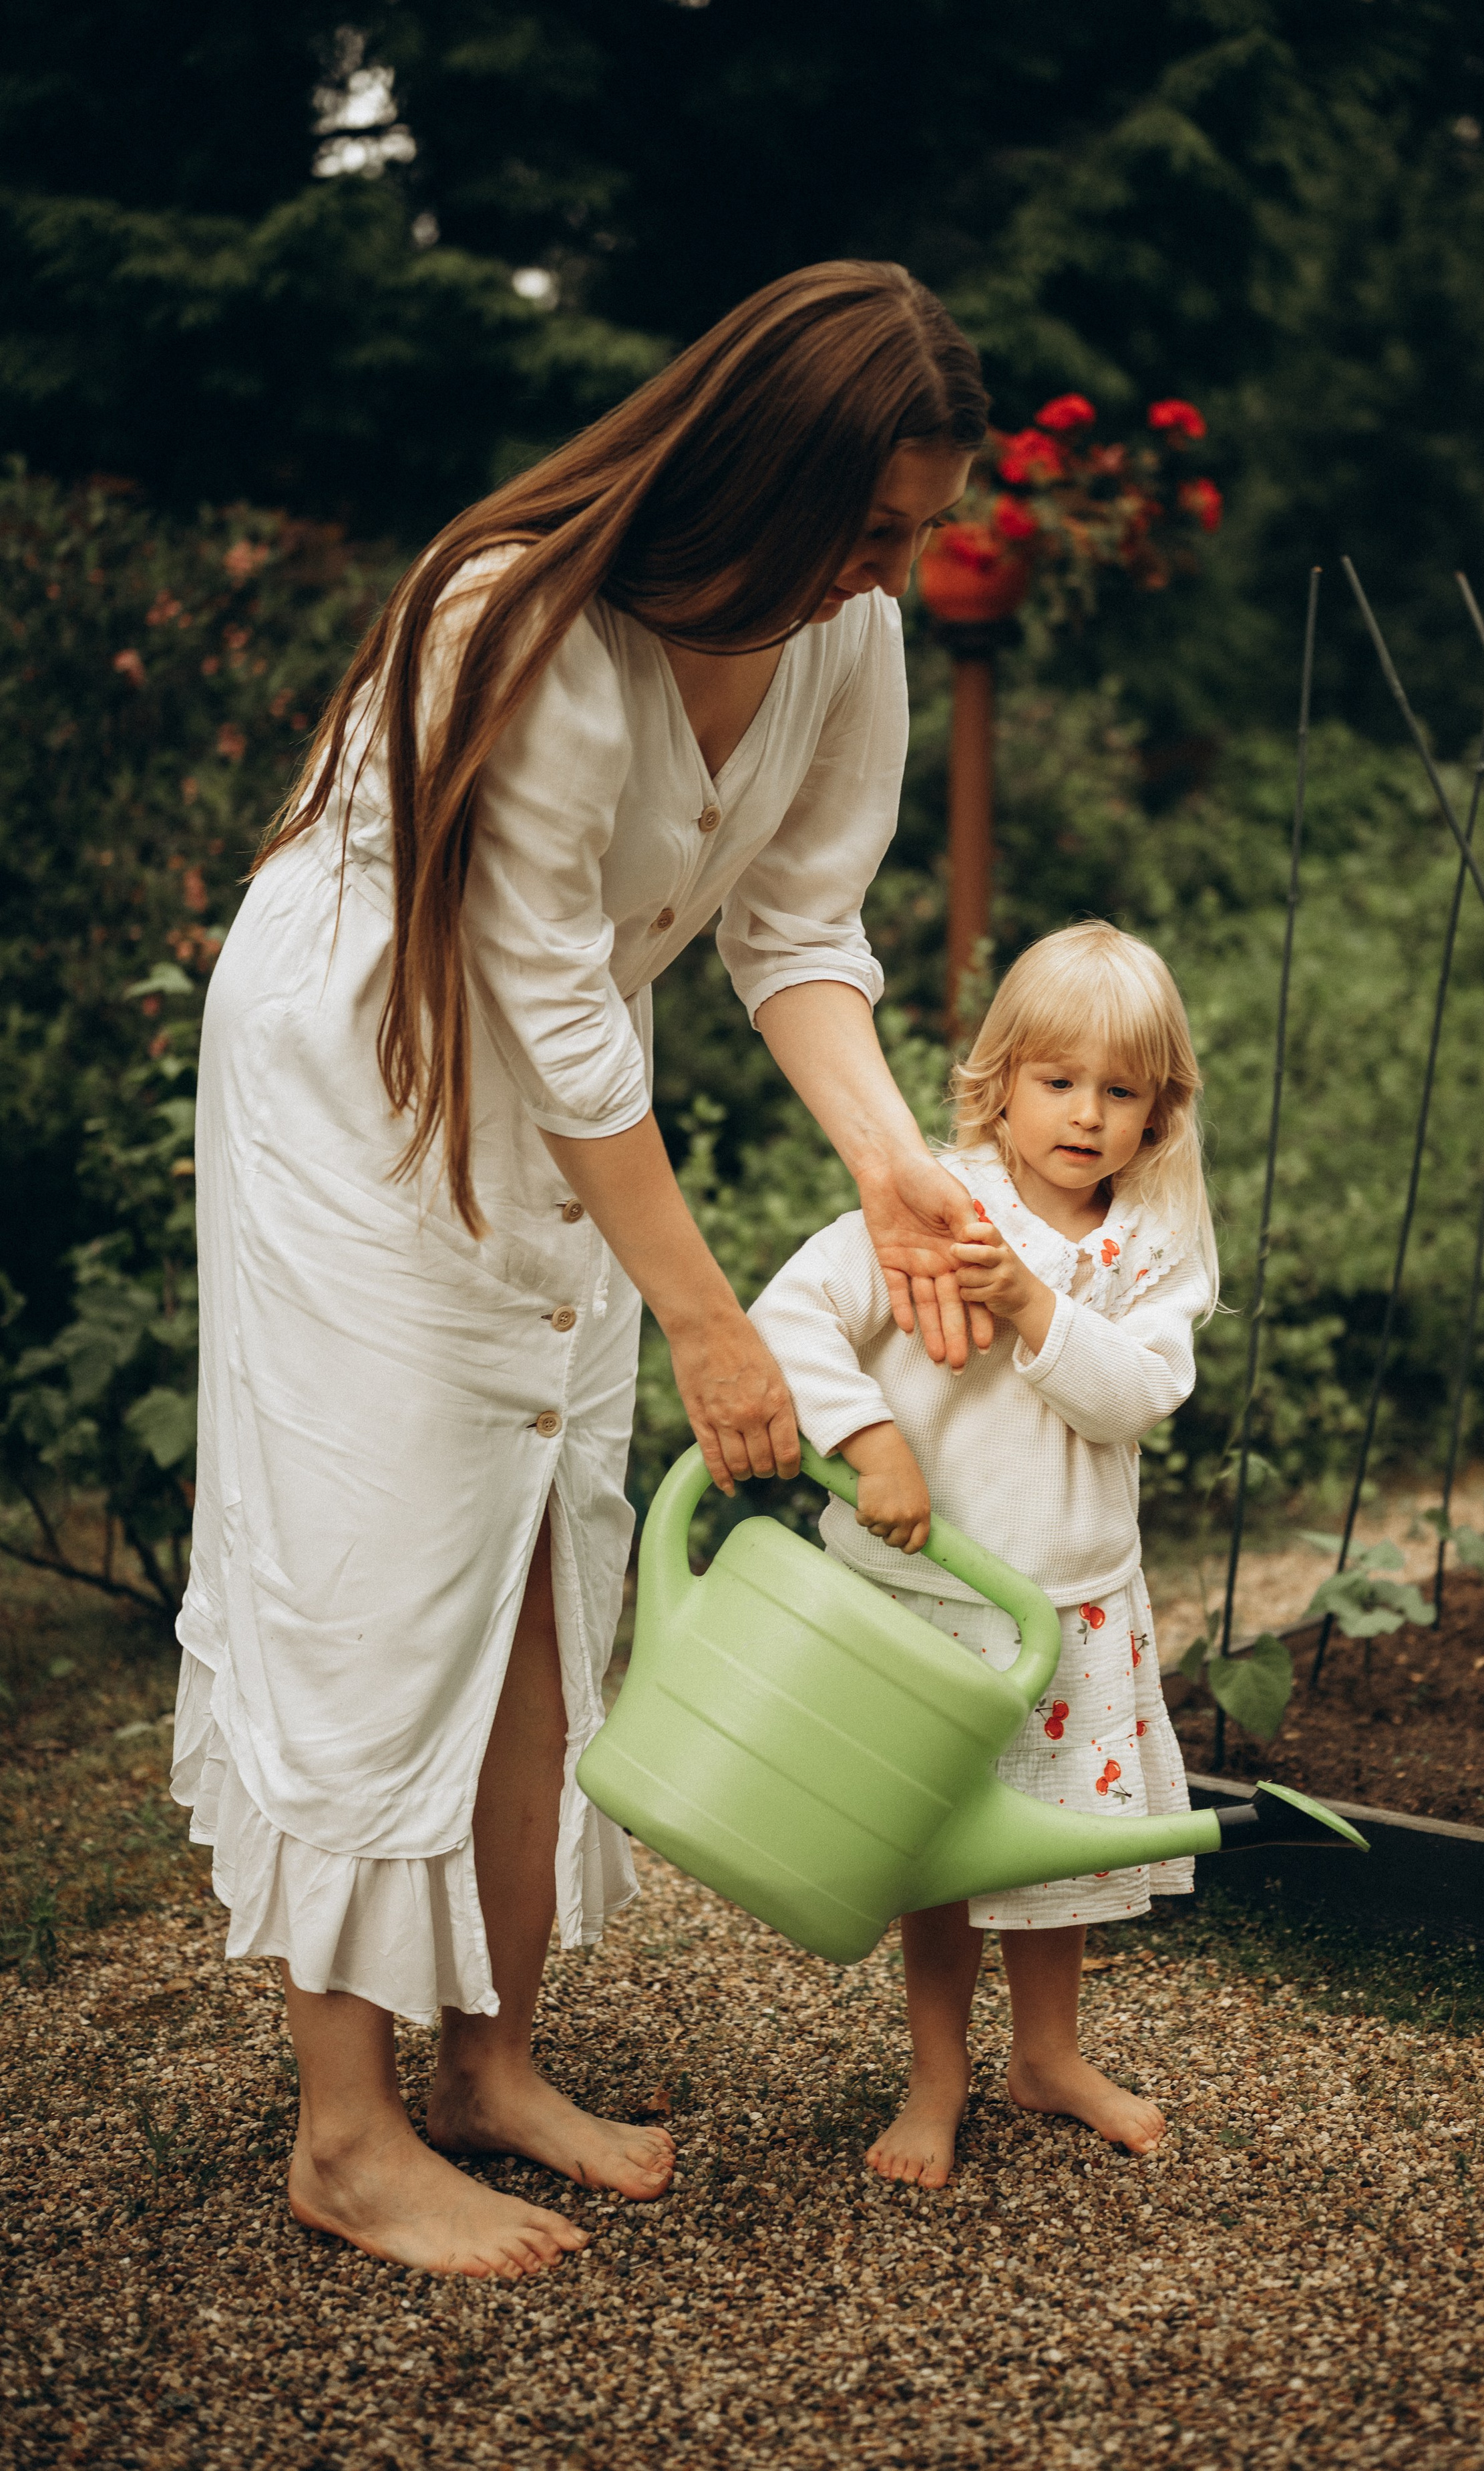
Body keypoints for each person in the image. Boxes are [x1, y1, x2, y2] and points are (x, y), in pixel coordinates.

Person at [170, 261, 994, 2278]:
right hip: (369, 1081)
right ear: (766, 474)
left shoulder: (841, 635)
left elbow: (797, 932)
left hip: (554, 1086)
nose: (885, 574)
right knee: (385, 1559)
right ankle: (345, 2134)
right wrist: (713, 1319)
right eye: (868, 528)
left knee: (554, 1538)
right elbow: (540, 991)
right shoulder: (515, 619)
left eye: (913, 536)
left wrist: (898, 1172)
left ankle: (489, 2063)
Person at [750, 923, 1218, 2188]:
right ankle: (939, 2074)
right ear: (998, 1079)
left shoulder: (1159, 1247)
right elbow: (786, 1317)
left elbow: (1133, 1397)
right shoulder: (936, 1199)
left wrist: (1033, 1307)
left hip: (1066, 1602)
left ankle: (1049, 2056)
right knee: (941, 1856)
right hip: (925, 1600)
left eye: (1120, 1093)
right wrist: (869, 1441)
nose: (1085, 1116)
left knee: (1049, 1843)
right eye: (1058, 1082)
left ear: (1159, 1111)